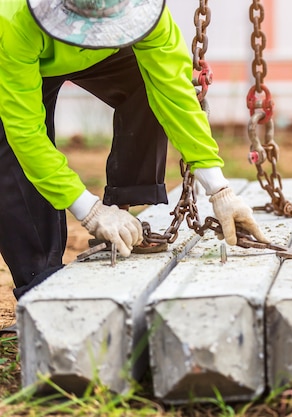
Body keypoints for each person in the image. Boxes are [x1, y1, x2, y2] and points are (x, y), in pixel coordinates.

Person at [0, 0, 269, 300]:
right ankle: (41, 284)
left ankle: (127, 206)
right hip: (21, 56)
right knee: (8, 149)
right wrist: (88, 211)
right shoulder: (14, 19)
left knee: (148, 78)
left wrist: (219, 190)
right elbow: (24, 132)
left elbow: (173, 92)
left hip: (103, 49)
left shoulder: (147, 13)